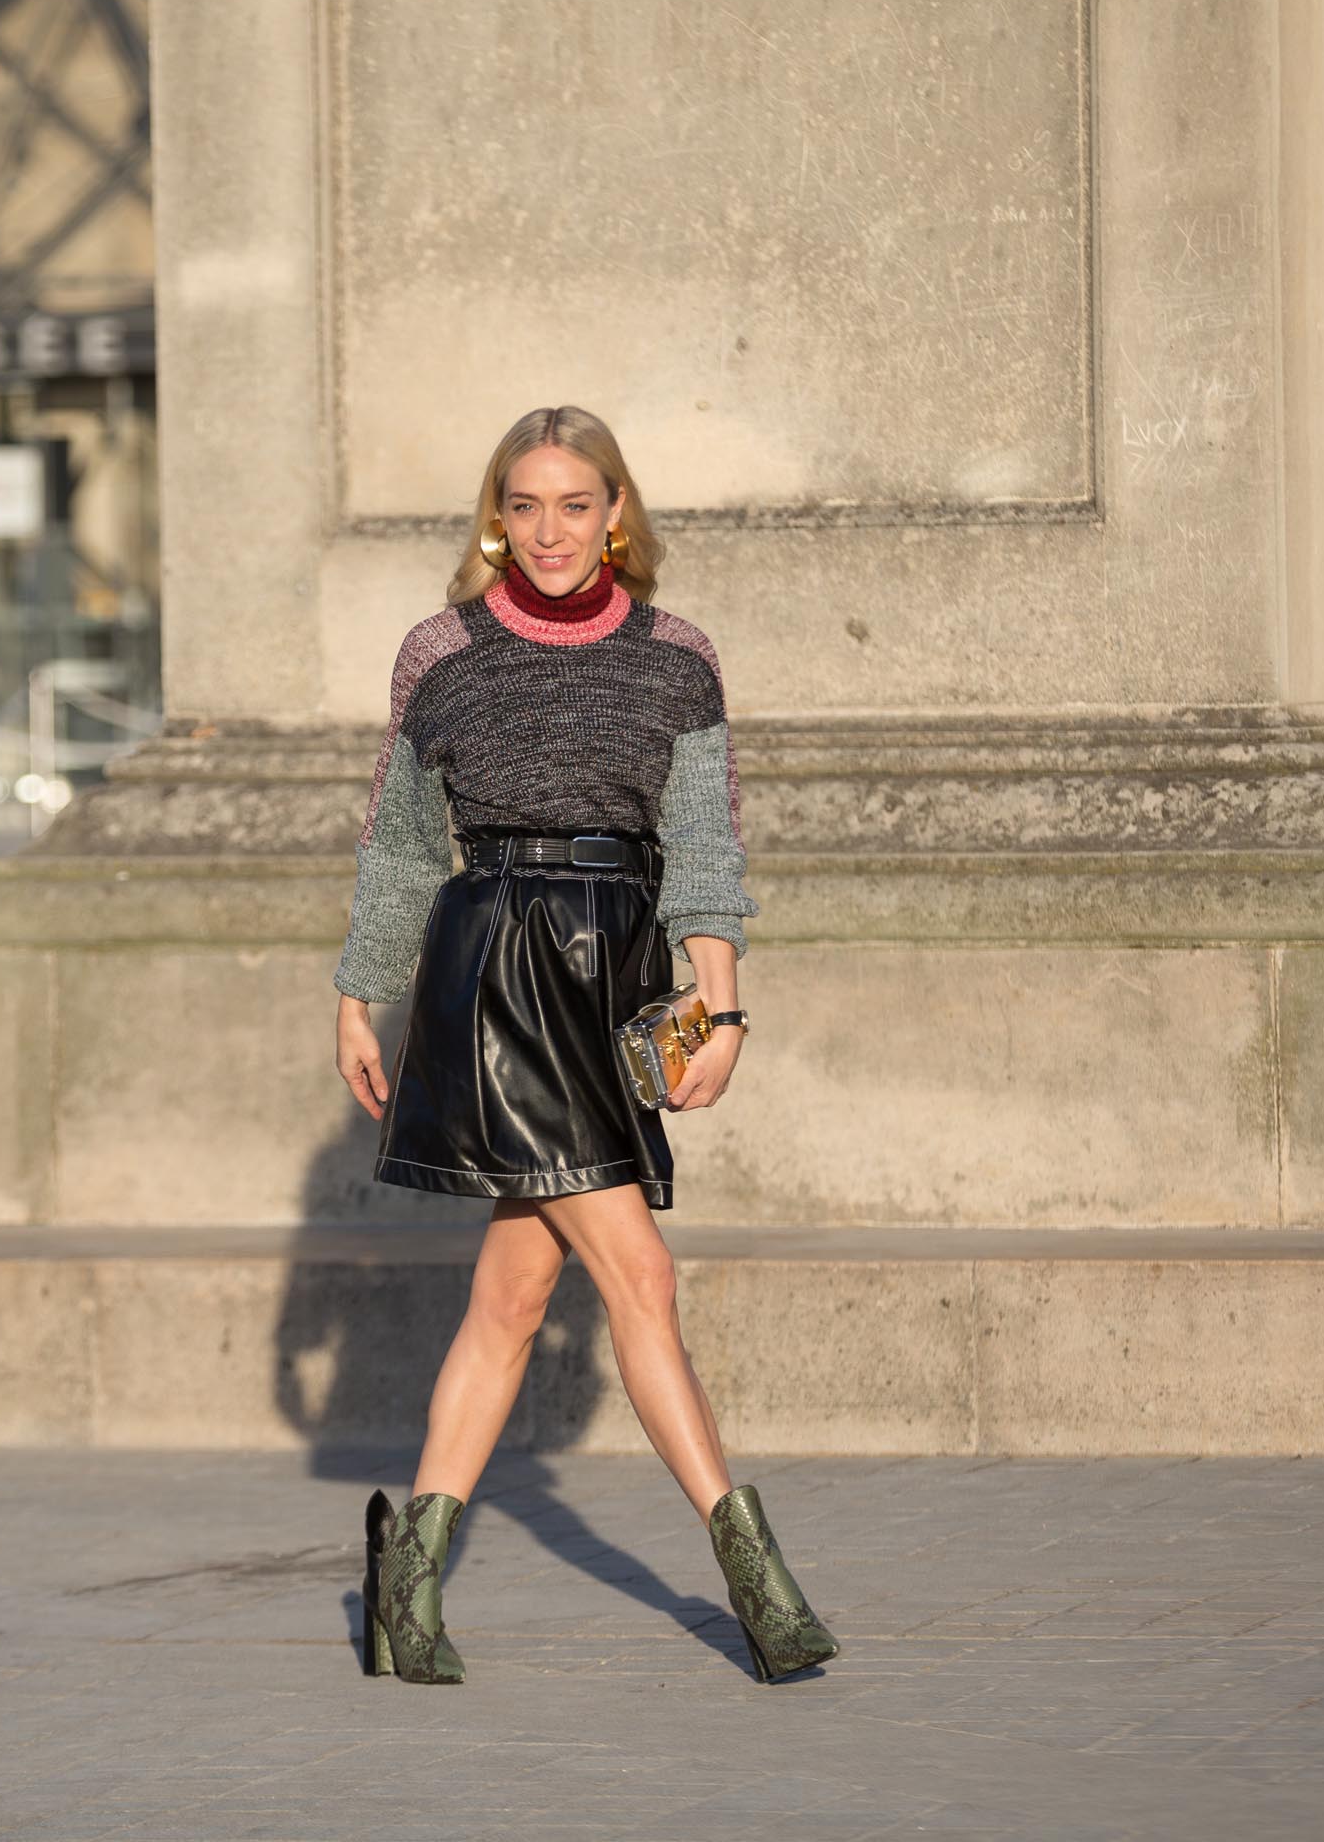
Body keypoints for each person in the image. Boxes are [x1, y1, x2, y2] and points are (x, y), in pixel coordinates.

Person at [334, 404, 838, 1687]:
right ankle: (755, 1577)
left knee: (510, 1298)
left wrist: (719, 1004)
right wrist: (360, 989)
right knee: (643, 1277)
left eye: (575, 503)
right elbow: (400, 844)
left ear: (618, 510)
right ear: (494, 522)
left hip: (615, 971)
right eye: (524, 505)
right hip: (496, 968)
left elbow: (710, 845)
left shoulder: (679, 658)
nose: (550, 530)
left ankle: (407, 1581)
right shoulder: (441, 652)